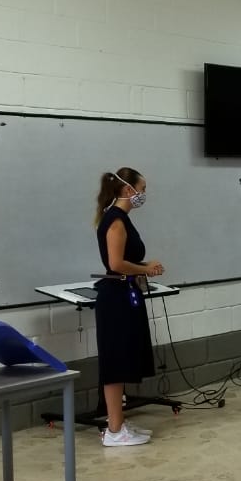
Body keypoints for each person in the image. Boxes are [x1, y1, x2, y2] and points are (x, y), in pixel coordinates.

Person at [93, 168, 163, 448]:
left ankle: (118, 423)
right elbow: (116, 264)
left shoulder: (123, 219)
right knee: (115, 363)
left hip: (127, 293)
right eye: (141, 189)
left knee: (124, 360)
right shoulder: (115, 221)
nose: (143, 195)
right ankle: (113, 430)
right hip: (115, 297)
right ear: (126, 190)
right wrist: (147, 268)